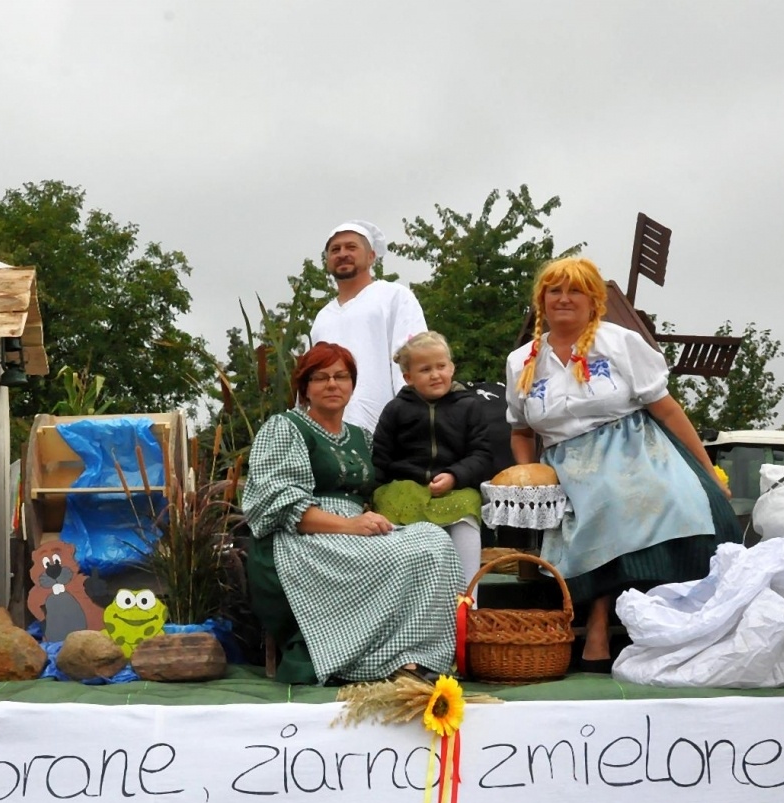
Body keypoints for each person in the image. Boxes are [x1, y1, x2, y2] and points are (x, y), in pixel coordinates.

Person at [504, 257, 738, 671]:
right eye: (554, 290)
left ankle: (664, 623)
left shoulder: (619, 342)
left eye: (575, 290)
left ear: (593, 300)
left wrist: (708, 473)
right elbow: (521, 431)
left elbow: (666, 411)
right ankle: (598, 622)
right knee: (604, 501)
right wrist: (529, 477)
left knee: (669, 502)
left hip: (634, 448)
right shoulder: (522, 360)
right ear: (542, 299)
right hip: (567, 461)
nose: (563, 299)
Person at [243, 342, 462, 685]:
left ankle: (414, 656)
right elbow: (280, 504)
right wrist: (348, 525)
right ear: (305, 387)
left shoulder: (361, 436)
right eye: (321, 377)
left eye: (341, 376)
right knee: (395, 553)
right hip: (302, 538)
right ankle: (367, 658)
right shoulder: (285, 427)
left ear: (352, 385)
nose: (332, 384)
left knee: (434, 541)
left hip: (355, 526)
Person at [371, 331, 492, 588]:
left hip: (454, 491)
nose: (435, 374)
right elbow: (380, 458)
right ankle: (399, 593)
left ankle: (468, 601)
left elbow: (481, 455)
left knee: (467, 511)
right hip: (404, 488)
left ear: (452, 367)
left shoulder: (469, 406)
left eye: (441, 366)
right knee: (391, 510)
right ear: (408, 377)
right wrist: (369, 496)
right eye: (425, 369)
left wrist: (455, 475)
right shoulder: (395, 410)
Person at [309, 221, 428, 433]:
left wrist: (413, 416)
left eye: (351, 247)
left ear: (371, 256)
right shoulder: (322, 317)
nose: (342, 253)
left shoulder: (394, 296)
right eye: (335, 249)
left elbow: (415, 357)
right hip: (330, 434)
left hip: (386, 430)